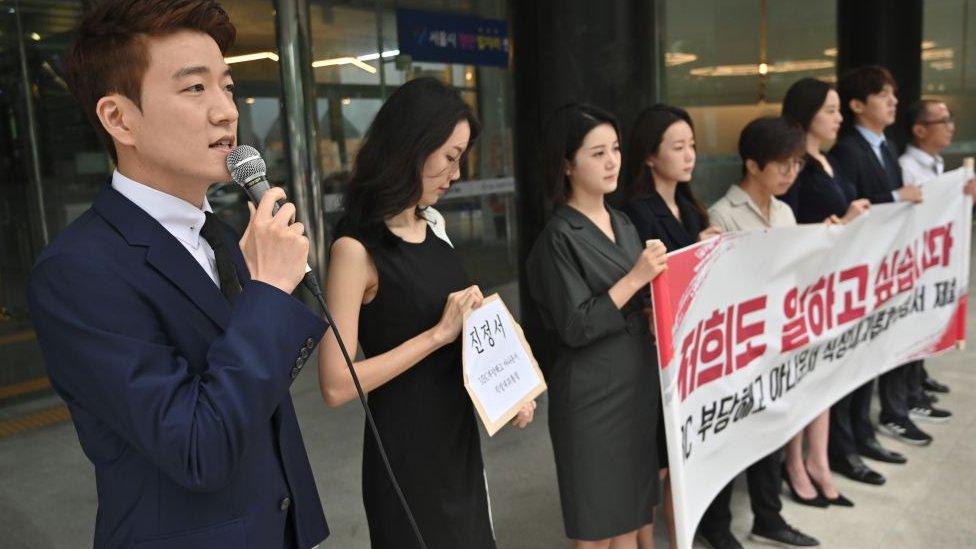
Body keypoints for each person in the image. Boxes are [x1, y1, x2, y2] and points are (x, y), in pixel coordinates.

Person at [27, 1, 329, 547]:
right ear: (119, 118)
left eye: (228, 86)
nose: (225, 112)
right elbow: (196, 448)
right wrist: (264, 293)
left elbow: (258, 387)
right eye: (195, 89)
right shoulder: (78, 272)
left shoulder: (222, 232)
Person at [317, 77, 533, 549]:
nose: (456, 173)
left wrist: (513, 384)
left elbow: (467, 327)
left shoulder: (432, 225)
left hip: (456, 438)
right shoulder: (356, 250)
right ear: (413, 147)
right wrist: (436, 335)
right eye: (451, 157)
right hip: (406, 451)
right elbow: (336, 383)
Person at [526, 103, 667, 548]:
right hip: (591, 396)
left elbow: (629, 302)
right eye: (597, 153)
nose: (612, 162)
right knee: (593, 530)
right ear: (567, 164)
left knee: (627, 521)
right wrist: (636, 279)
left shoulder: (622, 223)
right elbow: (575, 325)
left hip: (635, 385)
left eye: (616, 149)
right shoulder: (557, 238)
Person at [701, 117, 820, 549]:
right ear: (752, 165)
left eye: (797, 165)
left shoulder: (785, 211)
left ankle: (768, 517)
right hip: (738, 350)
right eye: (783, 165)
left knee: (772, 432)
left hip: (778, 343)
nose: (791, 174)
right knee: (731, 441)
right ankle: (716, 526)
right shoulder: (722, 214)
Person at [621, 103, 718, 548]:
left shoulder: (690, 207)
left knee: (680, 456)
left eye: (693, 145)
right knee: (657, 462)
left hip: (691, 348)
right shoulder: (637, 212)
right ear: (649, 155)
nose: (689, 155)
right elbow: (648, 281)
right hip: (654, 349)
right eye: (678, 147)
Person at [778, 77, 869, 509]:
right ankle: (795, 464)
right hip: (803, 288)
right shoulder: (796, 166)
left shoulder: (829, 161)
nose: (838, 119)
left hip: (832, 288)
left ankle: (819, 461)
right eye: (830, 110)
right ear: (806, 115)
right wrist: (843, 222)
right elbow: (788, 228)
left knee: (824, 378)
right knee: (802, 379)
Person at [826, 66, 918, 484]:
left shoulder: (888, 145)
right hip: (856, 272)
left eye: (893, 94)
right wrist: (896, 197)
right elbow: (859, 205)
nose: (893, 102)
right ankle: (846, 446)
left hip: (884, 270)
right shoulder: (847, 150)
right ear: (858, 105)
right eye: (883, 95)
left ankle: (864, 433)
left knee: (871, 359)